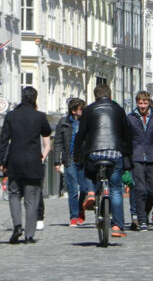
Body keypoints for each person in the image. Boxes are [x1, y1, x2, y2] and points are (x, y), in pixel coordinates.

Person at [73, 83, 132, 238]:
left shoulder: (89, 110)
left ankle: (91, 193)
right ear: (110, 95)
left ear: (95, 96)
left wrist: (77, 154)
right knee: (115, 190)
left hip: (94, 152)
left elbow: (81, 134)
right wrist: (128, 154)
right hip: (115, 152)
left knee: (88, 171)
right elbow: (127, 133)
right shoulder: (118, 109)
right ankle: (117, 226)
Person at [0, 86, 52, 244]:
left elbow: (3, 141)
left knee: (14, 194)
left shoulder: (11, 116)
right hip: (33, 161)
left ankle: (17, 226)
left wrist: (0, 161)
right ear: (35, 98)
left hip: (15, 161)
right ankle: (29, 234)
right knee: (32, 198)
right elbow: (47, 133)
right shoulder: (39, 117)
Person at [126, 91, 153, 231]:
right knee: (140, 189)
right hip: (136, 157)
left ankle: (144, 212)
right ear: (136, 103)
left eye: (144, 103)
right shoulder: (131, 118)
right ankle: (142, 220)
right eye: (140, 103)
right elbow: (126, 139)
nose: (142, 106)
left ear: (149, 103)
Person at [54, 97, 87, 226]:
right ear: (73, 111)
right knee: (73, 190)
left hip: (84, 159)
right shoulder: (63, 123)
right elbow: (58, 143)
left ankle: (81, 210)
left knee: (84, 189)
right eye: (81, 109)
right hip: (70, 158)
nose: (83, 111)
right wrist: (57, 161)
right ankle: (74, 216)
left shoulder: (86, 122)